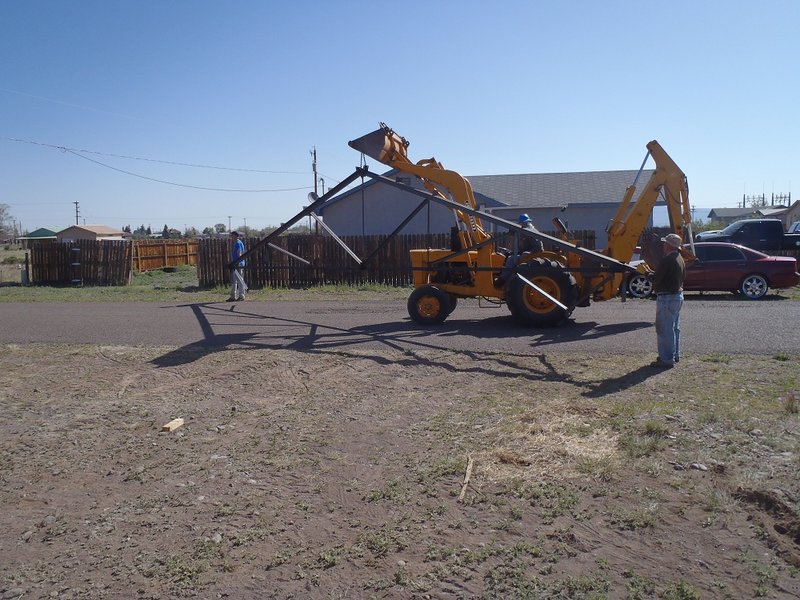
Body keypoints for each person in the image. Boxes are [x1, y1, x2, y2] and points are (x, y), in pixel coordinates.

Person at [649, 233, 686, 368]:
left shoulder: (667, 260)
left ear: (669, 245)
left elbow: (657, 278)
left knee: (664, 330)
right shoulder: (680, 258)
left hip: (667, 297)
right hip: (677, 296)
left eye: (665, 243)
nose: (663, 245)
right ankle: (674, 355)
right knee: (674, 328)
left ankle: (666, 359)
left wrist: (646, 273)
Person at [496, 214, 544, 288]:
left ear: (527, 223)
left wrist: (530, 253)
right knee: (507, 256)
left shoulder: (532, 232)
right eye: (521, 224)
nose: (521, 226)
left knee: (511, 259)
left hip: (532, 256)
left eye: (522, 224)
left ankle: (501, 281)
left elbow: (539, 247)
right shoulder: (524, 233)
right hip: (524, 254)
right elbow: (521, 248)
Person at [227, 231, 248, 302]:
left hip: (238, 264)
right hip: (236, 264)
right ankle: (233, 296)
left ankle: (241, 296)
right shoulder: (236, 243)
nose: (231, 237)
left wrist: (238, 263)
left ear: (236, 236)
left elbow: (239, 253)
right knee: (234, 280)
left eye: (232, 236)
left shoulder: (238, 243)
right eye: (231, 236)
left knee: (239, 280)